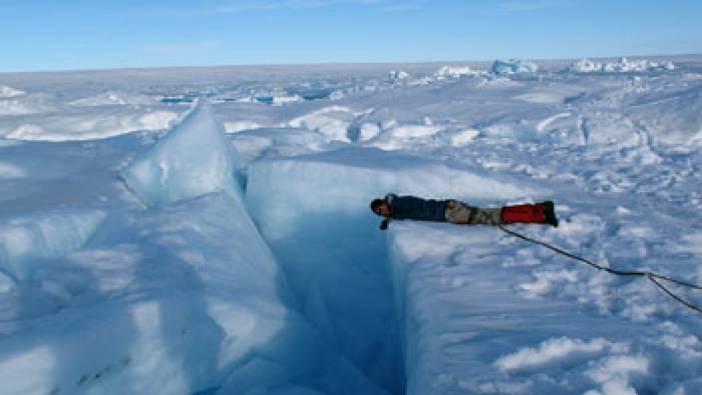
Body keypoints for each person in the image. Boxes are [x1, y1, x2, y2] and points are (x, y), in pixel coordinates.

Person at [370, 194, 558, 230]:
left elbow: (415, 209)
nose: (382, 212)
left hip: (449, 211)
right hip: (450, 211)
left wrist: (392, 216)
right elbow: (401, 213)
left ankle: (542, 214)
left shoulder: (401, 203)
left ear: (383, 203)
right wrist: (390, 219)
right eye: (379, 213)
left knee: (494, 217)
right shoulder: (397, 207)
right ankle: (540, 210)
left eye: (380, 209)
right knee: (494, 215)